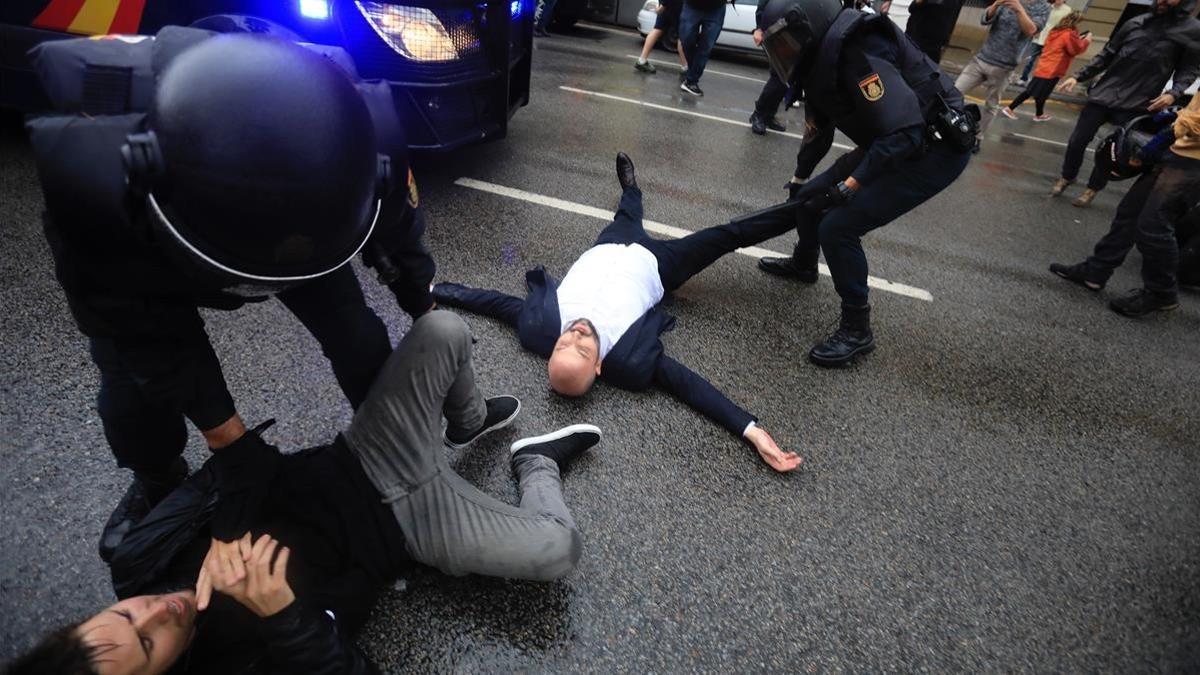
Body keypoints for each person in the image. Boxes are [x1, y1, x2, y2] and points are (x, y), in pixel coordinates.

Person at [23, 30, 439, 563]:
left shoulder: (361, 129)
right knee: (132, 388)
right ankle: (157, 479)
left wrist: (425, 310)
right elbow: (144, 332)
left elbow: (398, 236)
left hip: (303, 214)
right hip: (165, 231)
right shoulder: (96, 183)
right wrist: (233, 446)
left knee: (358, 333)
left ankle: (395, 449)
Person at [6, 311, 603, 675]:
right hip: (409, 529)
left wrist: (227, 524)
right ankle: (536, 464)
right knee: (557, 551)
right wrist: (282, 615)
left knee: (443, 329)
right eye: (147, 644)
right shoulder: (230, 666)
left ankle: (467, 423)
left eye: (125, 614)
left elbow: (246, 464)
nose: (158, 611)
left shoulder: (138, 560)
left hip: (363, 454)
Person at [433, 154, 803, 473]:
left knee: (628, 211)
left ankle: (632, 188)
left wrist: (431, 291)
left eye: (564, 346)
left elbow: (492, 302)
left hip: (609, 246)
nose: (576, 336)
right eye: (582, 351)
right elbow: (689, 386)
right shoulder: (629, 361)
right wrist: (750, 430)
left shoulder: (539, 327)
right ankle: (814, 204)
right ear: (598, 367)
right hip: (658, 265)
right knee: (729, 234)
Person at [751, 0, 973, 365]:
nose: (783, 52)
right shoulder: (820, 57)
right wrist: (800, 177)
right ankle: (804, 264)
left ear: (808, 26)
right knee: (809, 198)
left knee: (838, 226)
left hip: (933, 150)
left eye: (785, 42)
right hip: (891, 142)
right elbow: (818, 131)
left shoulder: (860, 50)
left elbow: (904, 132)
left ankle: (857, 329)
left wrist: (853, 183)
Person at [1050, 94, 1200, 316]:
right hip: (1178, 149)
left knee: (1154, 226)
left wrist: (1165, 136)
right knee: (1129, 213)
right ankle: (1096, 270)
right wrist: (1171, 118)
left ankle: (1161, 292)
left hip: (1192, 161)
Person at [1049, 0, 1200, 208]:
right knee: (1077, 140)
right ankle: (1067, 176)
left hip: (1137, 102)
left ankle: (1092, 188)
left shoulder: (1192, 30)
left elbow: (1189, 69)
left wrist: (1174, 93)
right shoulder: (1137, 22)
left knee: (1113, 150)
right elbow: (1107, 54)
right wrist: (1078, 76)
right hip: (1104, 93)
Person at [953, 0, 1051, 152]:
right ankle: (950, 126)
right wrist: (996, 4)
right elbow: (984, 19)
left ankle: (978, 137)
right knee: (954, 92)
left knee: (991, 105)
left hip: (1005, 67)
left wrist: (1019, 9)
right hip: (981, 59)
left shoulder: (1042, 7)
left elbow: (1031, 30)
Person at [1001, 11, 1090, 121]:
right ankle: (1010, 108)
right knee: (1031, 91)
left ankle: (1039, 115)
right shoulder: (1069, 34)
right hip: (1054, 68)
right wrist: (1086, 41)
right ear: (1075, 22)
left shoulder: (1056, 30)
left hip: (1045, 64)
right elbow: (1075, 49)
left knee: (1041, 93)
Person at [749, 0, 789, 135]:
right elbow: (763, 6)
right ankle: (758, 114)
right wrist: (759, 27)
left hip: (794, 31)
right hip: (776, 30)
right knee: (778, 75)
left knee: (786, 79)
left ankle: (769, 115)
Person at [1014, 0, 1072, 87]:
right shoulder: (1047, 6)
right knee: (1030, 59)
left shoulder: (1067, 10)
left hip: (1052, 40)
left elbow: (1066, 26)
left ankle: (1035, 82)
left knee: (1044, 63)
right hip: (1039, 37)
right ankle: (1023, 78)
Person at [678, 0, 729, 96]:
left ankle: (691, 81)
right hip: (691, 6)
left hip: (716, 9)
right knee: (686, 39)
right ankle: (692, 71)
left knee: (706, 46)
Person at [635, 0, 689, 74]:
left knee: (658, 29)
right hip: (675, 4)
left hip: (667, 4)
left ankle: (642, 60)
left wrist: (663, 4)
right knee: (681, 34)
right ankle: (685, 67)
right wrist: (664, 4)